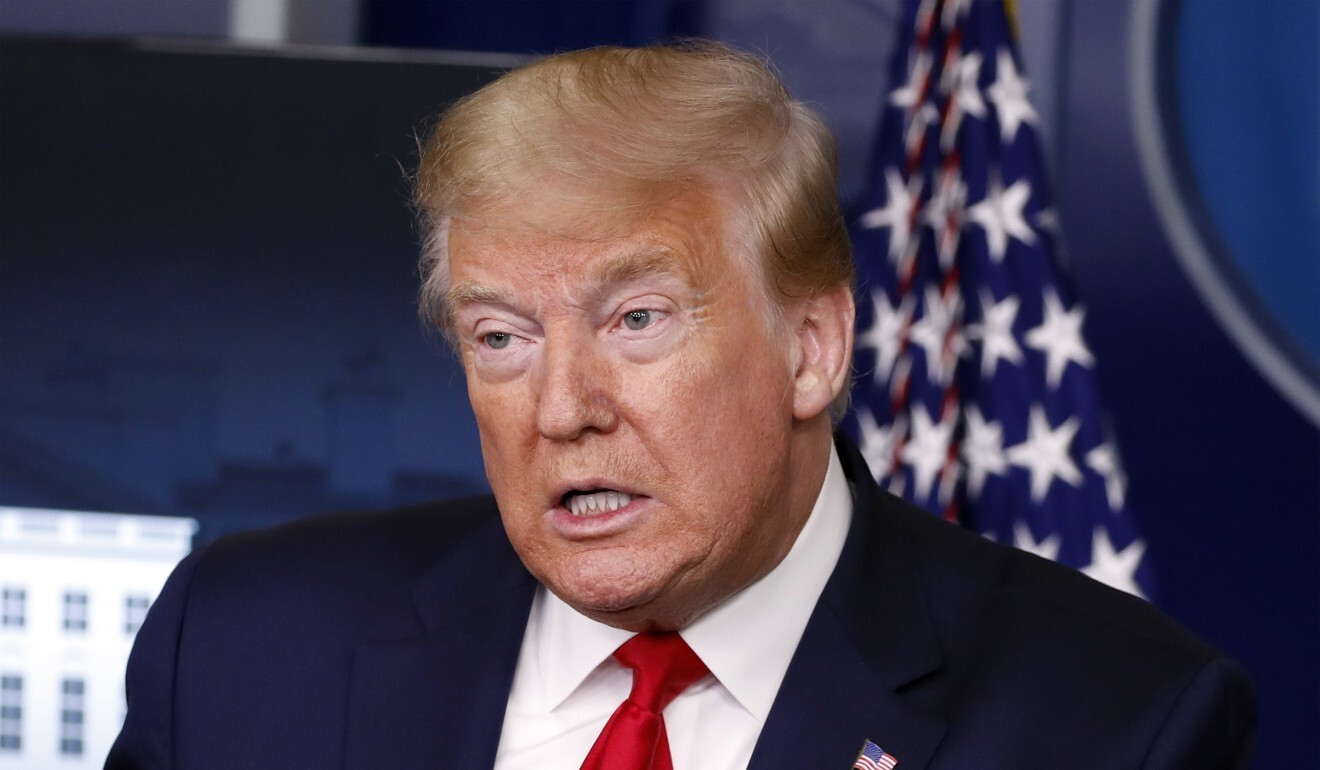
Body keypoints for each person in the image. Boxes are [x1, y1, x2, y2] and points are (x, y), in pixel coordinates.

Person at [107, 41, 1256, 769]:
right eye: (500, 335)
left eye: (637, 320)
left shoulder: (1117, 724)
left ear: (812, 346)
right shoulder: (240, 649)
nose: (562, 408)